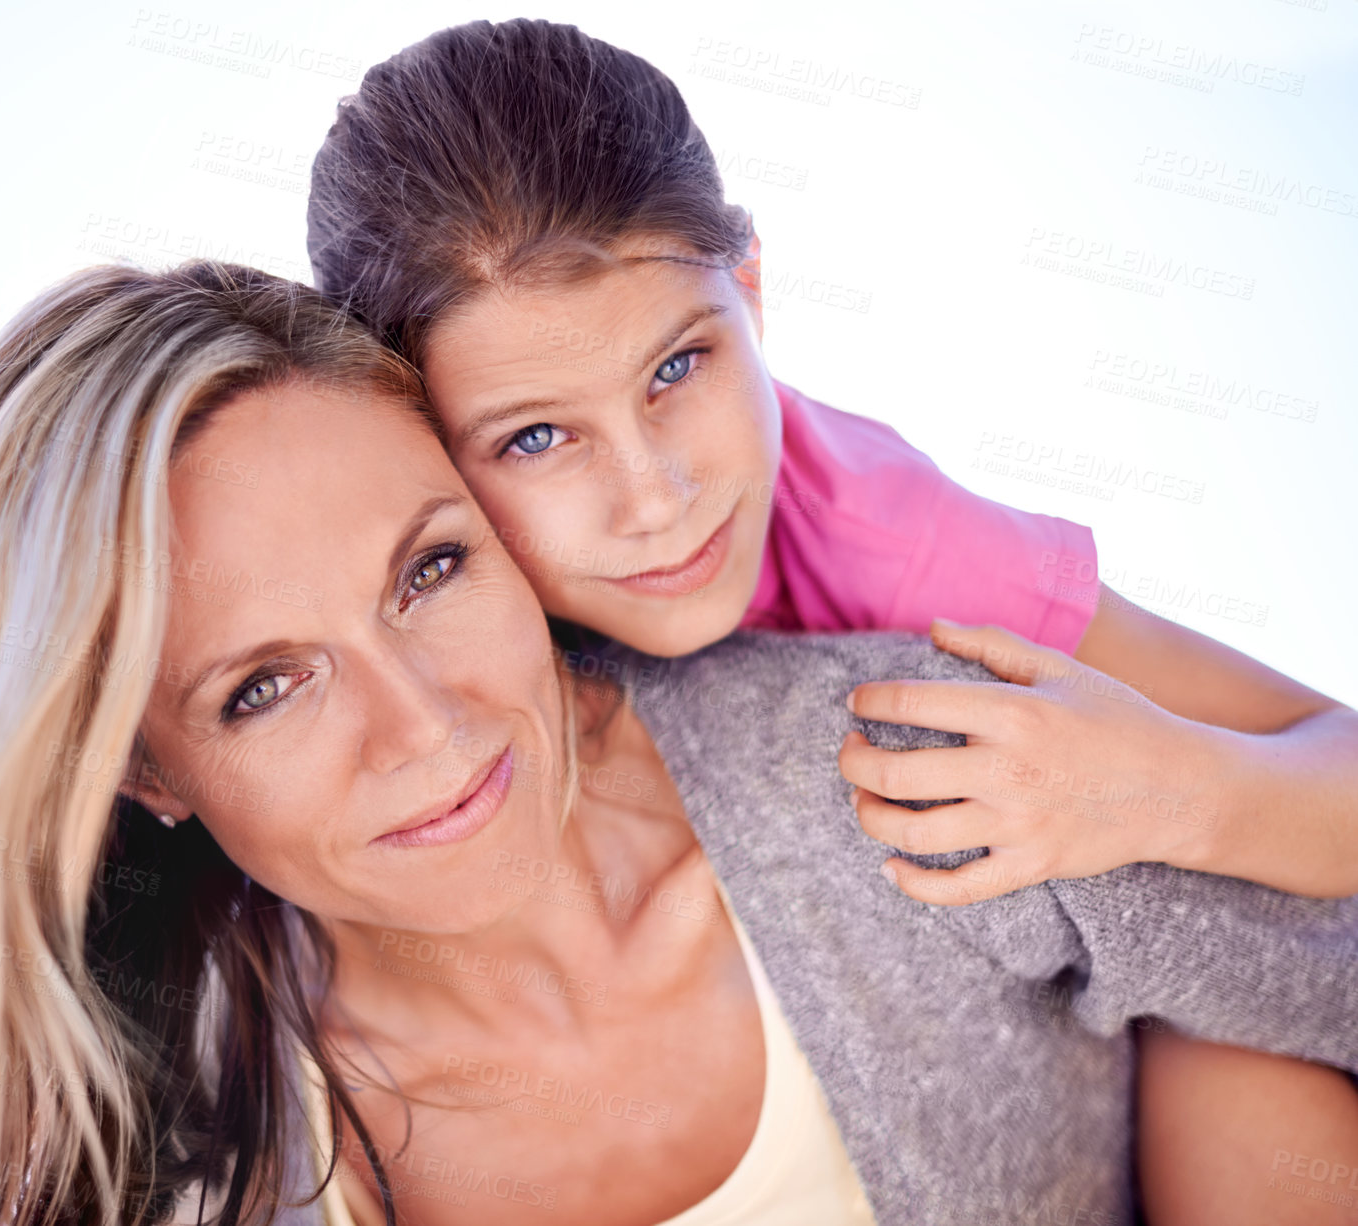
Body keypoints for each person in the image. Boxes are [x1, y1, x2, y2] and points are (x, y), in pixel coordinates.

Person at [0, 262, 1358, 1226]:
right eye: (264, 685)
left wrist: (1212, 1046)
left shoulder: (902, 770)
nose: (429, 726)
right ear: (141, 773)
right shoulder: (162, 1165)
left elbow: (1319, 954)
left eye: (431, 570)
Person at [302, 19, 1358, 1214]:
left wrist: (1163, 792)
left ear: (748, 290)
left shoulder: (894, 538)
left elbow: (1335, 765)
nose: (658, 500)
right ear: (421, 451)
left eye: (679, 366)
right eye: (536, 437)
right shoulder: (404, 629)